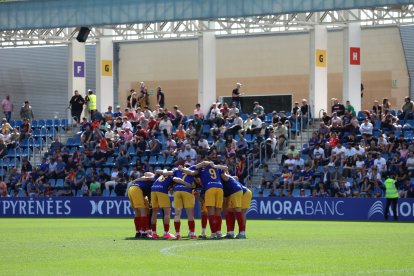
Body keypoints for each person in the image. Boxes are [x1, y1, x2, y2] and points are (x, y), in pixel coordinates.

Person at [181, 160, 225, 238]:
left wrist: (181, 169)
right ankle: (219, 232)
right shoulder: (217, 168)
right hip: (220, 188)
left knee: (210, 212)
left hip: (210, 188)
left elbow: (191, 173)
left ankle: (213, 234)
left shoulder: (201, 169)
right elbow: (226, 169)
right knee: (218, 213)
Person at [167, 165, 197, 239]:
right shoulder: (192, 170)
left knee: (177, 213)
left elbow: (171, 176)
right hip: (187, 191)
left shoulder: (177, 171)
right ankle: (192, 233)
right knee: (190, 214)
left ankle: (177, 233)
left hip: (177, 191)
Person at [127, 172, 154, 239]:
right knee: (143, 211)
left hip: (131, 189)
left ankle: (138, 232)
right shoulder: (153, 180)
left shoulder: (143, 179)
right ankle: (144, 233)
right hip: (137, 190)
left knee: (138, 212)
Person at [150, 170, 176, 239]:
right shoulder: (173, 175)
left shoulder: (160, 176)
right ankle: (166, 233)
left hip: (153, 189)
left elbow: (156, 171)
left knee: (154, 212)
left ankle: (154, 233)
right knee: (167, 212)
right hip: (162, 190)